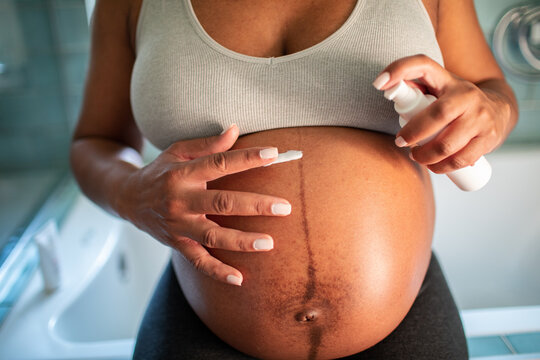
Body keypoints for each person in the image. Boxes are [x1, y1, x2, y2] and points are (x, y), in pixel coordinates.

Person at [70, 0, 518, 358]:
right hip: (203, 328)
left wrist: (492, 111)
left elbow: (490, 88)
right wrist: (130, 193)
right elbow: (94, 140)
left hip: (406, 323)